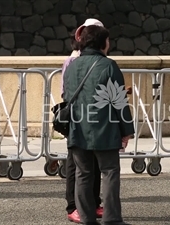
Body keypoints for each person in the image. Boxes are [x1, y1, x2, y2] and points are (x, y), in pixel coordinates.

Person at [63, 25, 134, 225]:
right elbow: (119, 101)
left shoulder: (72, 66)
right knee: (110, 172)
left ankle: (86, 218)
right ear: (102, 42)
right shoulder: (108, 65)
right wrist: (126, 131)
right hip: (105, 128)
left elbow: (68, 97)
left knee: (83, 174)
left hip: (77, 128)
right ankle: (112, 218)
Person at [61, 19, 105, 224]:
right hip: (79, 117)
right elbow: (66, 92)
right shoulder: (73, 61)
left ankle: (93, 203)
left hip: (93, 118)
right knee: (75, 163)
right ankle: (73, 206)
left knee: (93, 163)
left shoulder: (100, 59)